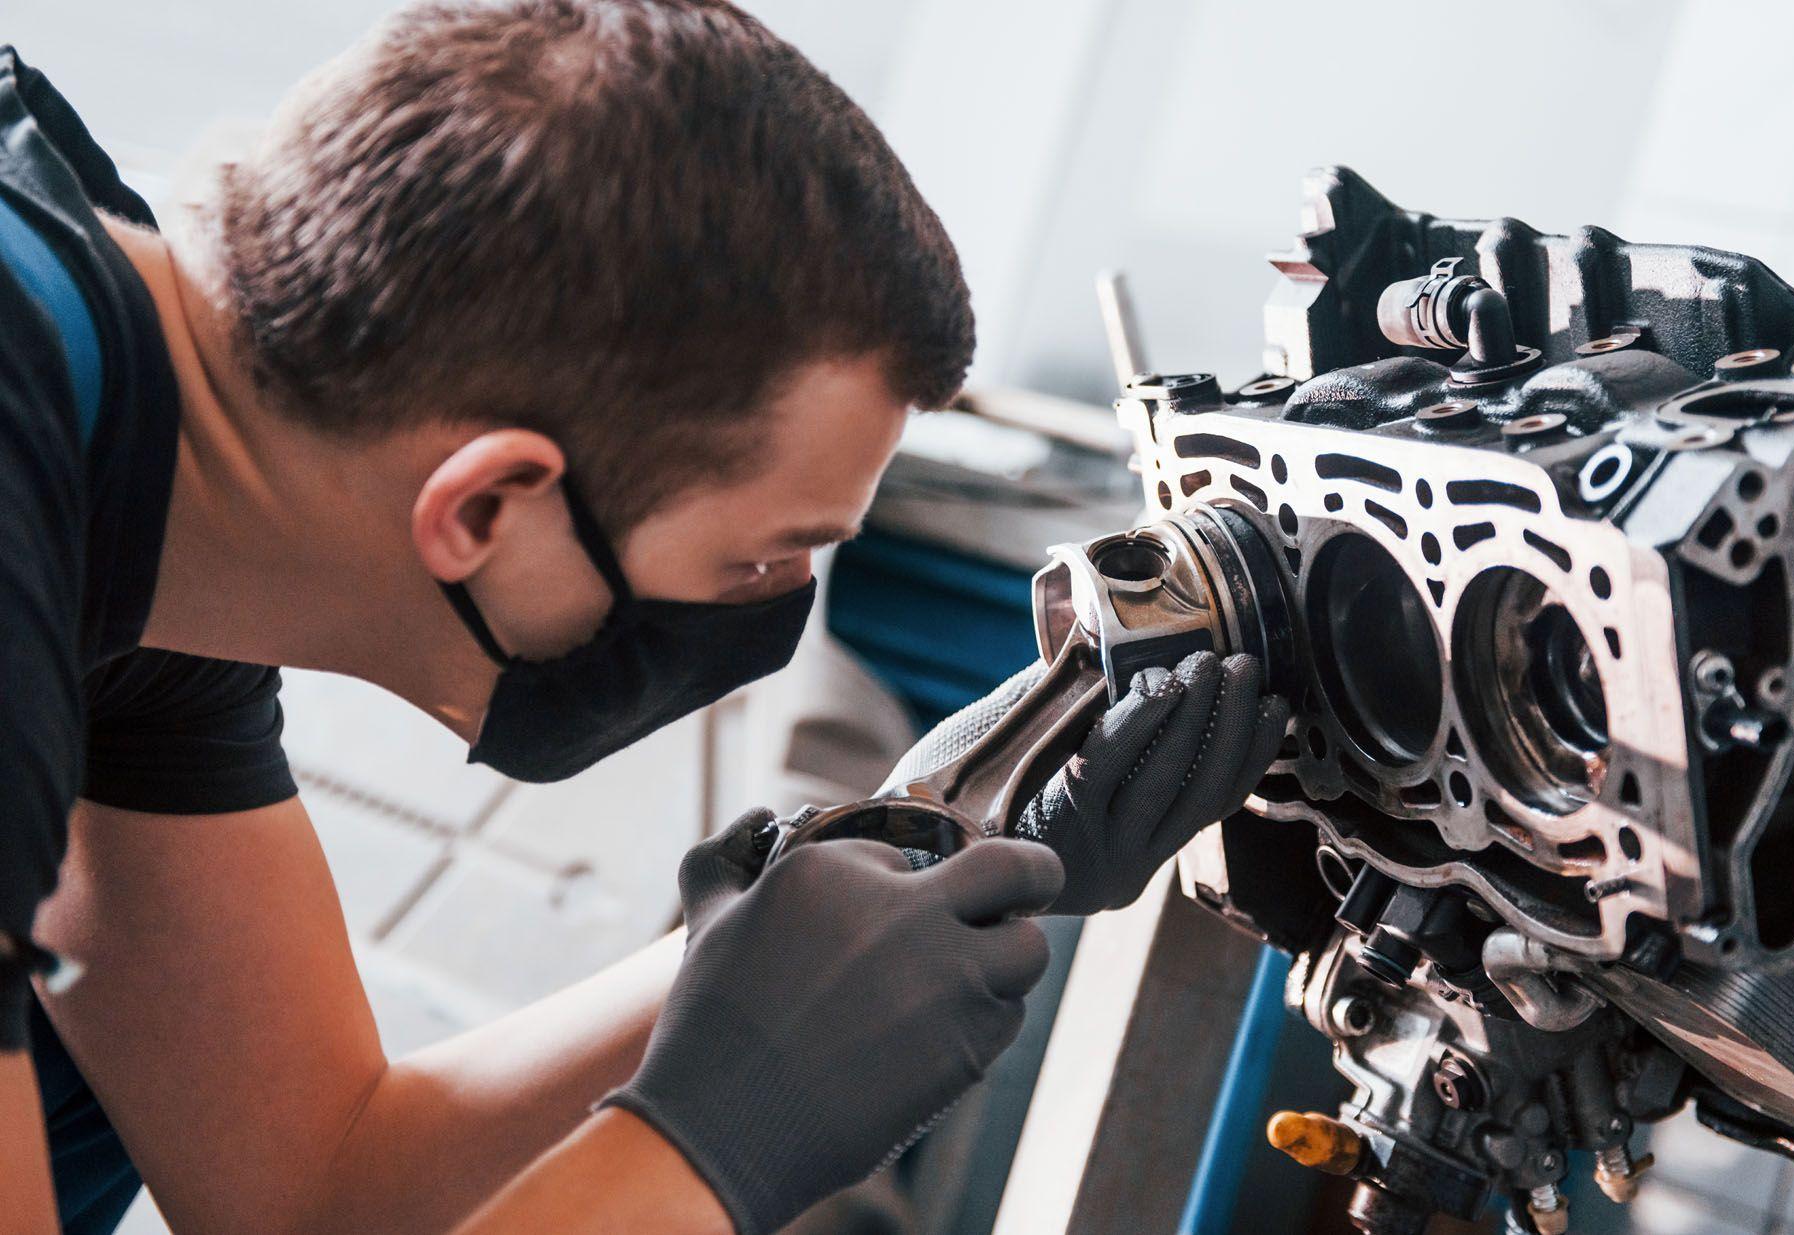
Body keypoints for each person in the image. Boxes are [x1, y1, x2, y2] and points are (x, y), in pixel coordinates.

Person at [0, 2, 1287, 1232]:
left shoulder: (148, 480)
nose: (769, 617)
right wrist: (716, 1141)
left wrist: (901, 864)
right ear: (492, 503)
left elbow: (316, 1190)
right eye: (762, 561)